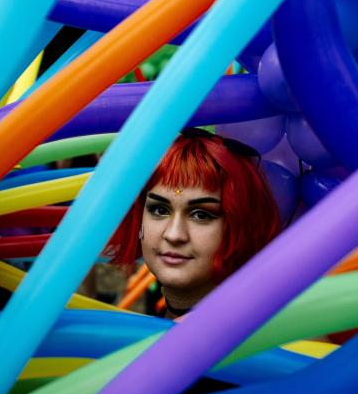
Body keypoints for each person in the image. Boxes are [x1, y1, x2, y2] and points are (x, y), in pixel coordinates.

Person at [106, 128, 280, 318]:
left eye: (201, 215)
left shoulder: (250, 338)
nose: (174, 234)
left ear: (240, 224)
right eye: (160, 210)